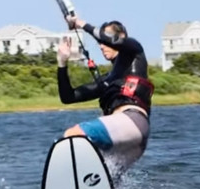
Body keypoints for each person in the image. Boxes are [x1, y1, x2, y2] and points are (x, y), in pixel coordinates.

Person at [55, 15, 154, 179]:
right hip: (131, 143)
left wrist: (79, 23)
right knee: (102, 178)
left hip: (132, 121)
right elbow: (68, 97)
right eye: (100, 42)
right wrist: (62, 62)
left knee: (73, 135)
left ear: (121, 37)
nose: (101, 45)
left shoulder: (135, 51)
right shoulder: (107, 81)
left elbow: (111, 40)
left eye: (104, 40)